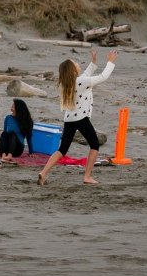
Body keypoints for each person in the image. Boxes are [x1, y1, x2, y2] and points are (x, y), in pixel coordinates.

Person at [38, 48, 117, 186]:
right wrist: (110, 62)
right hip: (81, 119)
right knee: (94, 144)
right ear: (72, 70)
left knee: (62, 149)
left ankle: (43, 172)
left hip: (69, 120)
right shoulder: (80, 82)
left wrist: (93, 62)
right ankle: (87, 176)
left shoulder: (71, 82)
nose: (77, 63)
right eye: (75, 63)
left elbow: (85, 77)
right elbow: (103, 77)